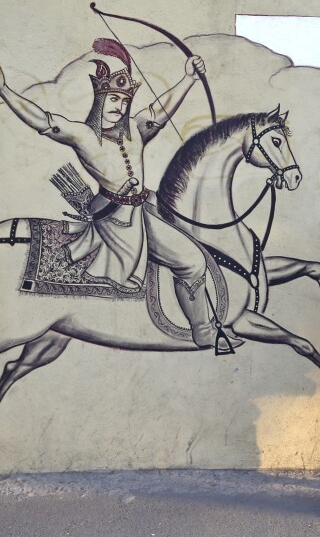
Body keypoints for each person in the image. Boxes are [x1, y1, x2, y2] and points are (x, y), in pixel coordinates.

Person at [0, 38, 236, 349]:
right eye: (113, 99)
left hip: (140, 214)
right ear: (100, 99)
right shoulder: (83, 135)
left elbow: (159, 111)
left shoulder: (136, 129)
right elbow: (45, 121)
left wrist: (188, 78)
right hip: (112, 223)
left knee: (191, 259)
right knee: (186, 261)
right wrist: (4, 90)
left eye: (124, 102)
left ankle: (202, 330)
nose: (119, 107)